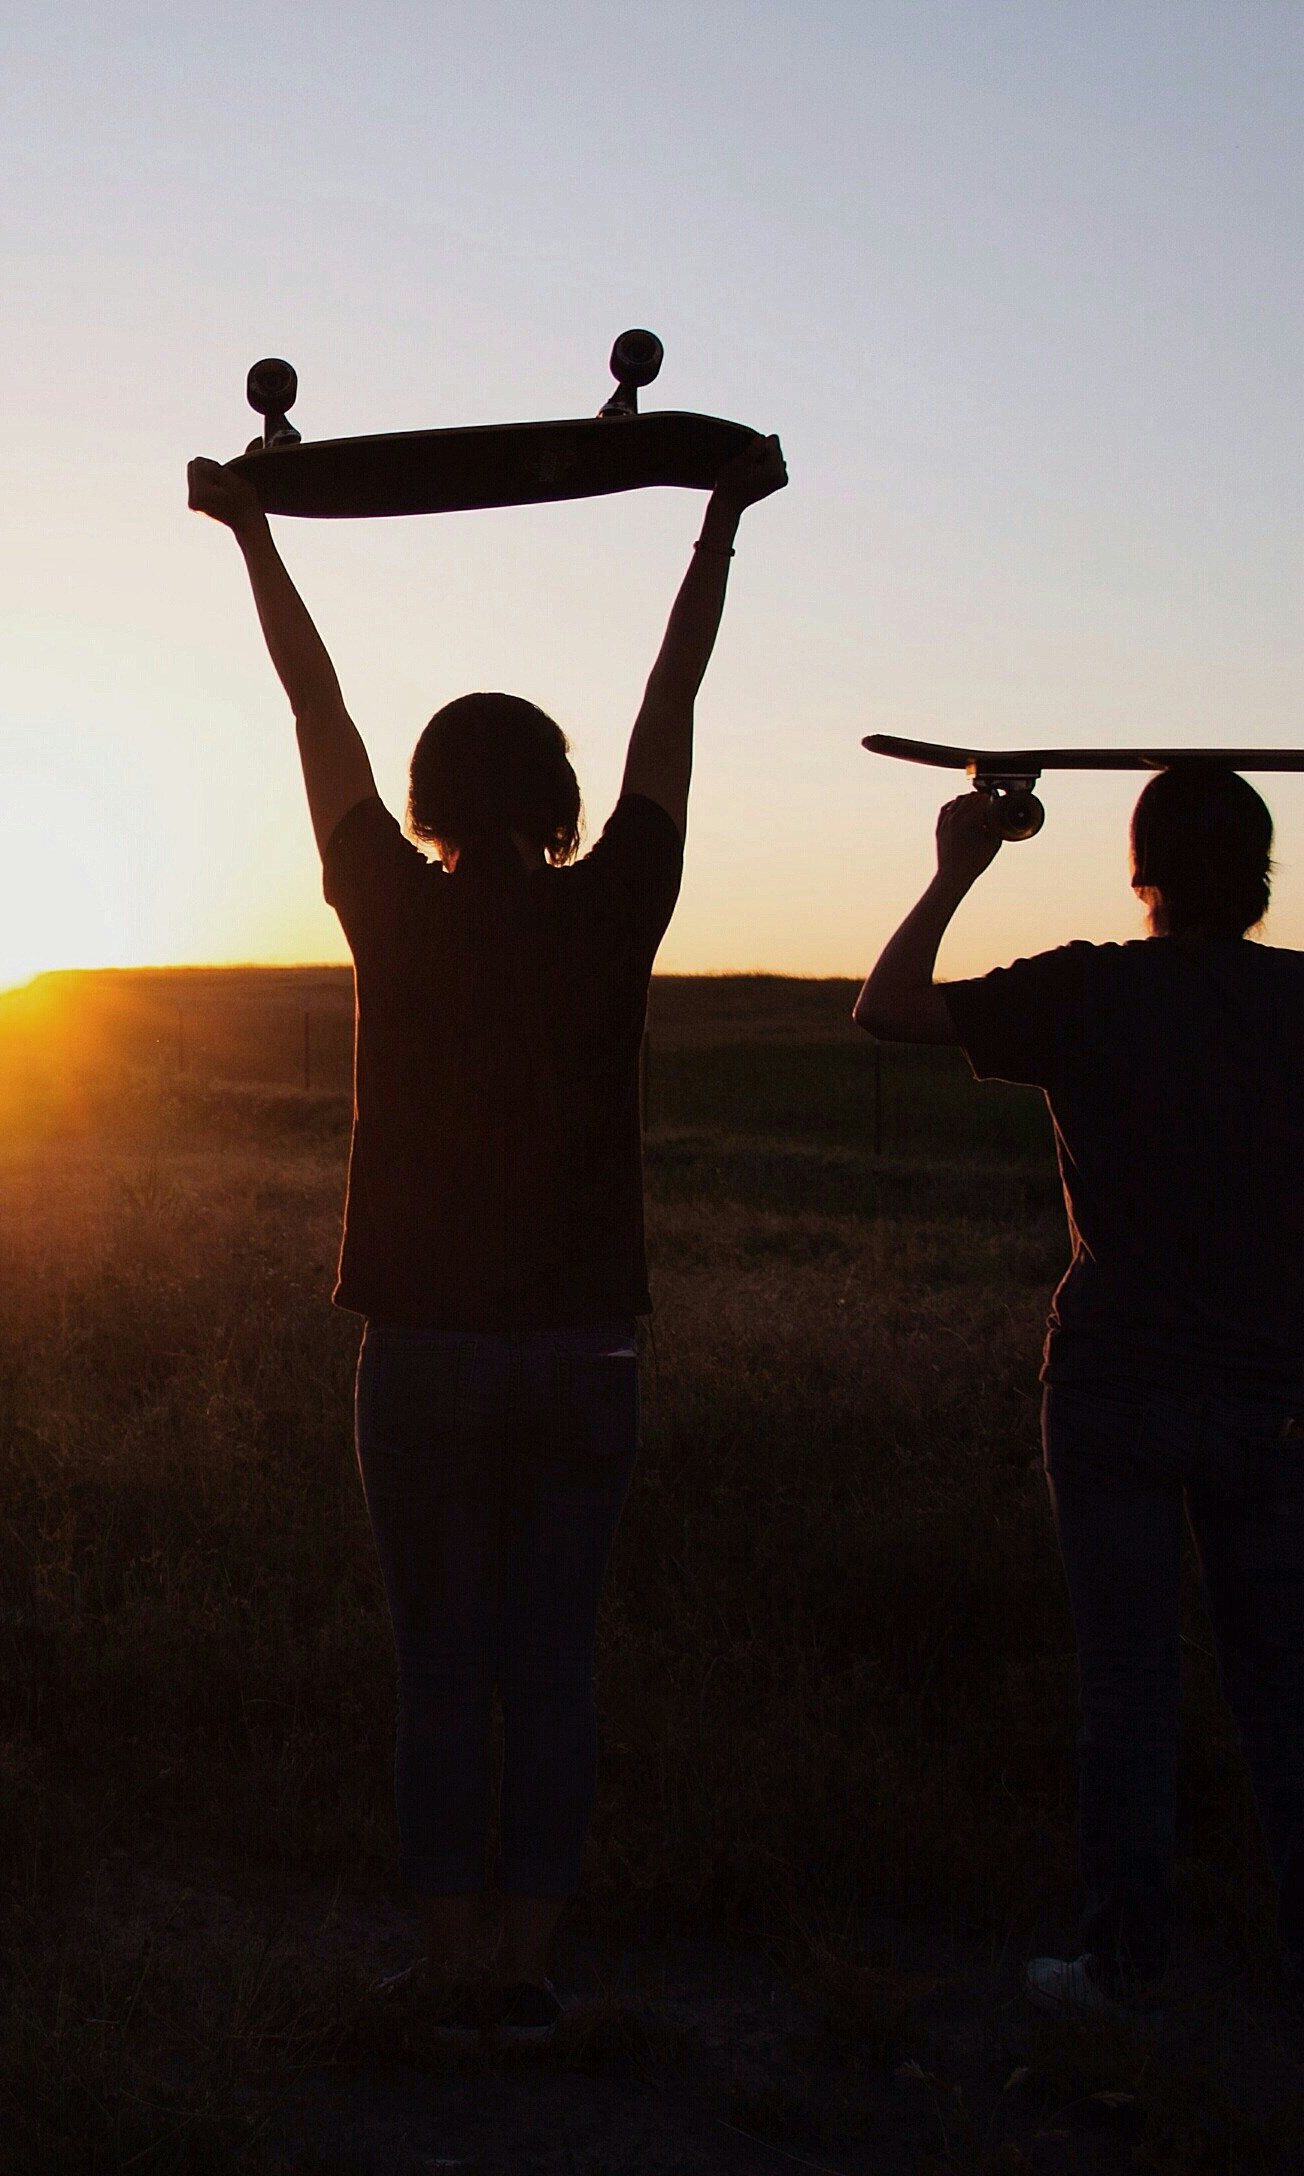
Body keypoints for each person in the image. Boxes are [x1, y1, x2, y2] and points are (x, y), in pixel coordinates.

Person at [188, 435, 788, 2047]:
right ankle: (526, 1965)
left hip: (425, 1353)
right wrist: (716, 530)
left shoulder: (391, 900)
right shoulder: (621, 902)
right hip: (587, 1351)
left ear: (435, 798)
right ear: (563, 799)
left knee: (445, 1668)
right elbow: (675, 704)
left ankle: (448, 1958)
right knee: (554, 1668)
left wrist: (255, 537)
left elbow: (316, 716)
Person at [853, 765, 1304, 2061]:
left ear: (1138, 870)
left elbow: (886, 1007)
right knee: (1284, 1692)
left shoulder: (1092, 985)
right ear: (1264, 876)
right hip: (1269, 1399)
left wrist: (962, 858)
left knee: (1128, 1691)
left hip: (1108, 1389)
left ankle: (1123, 1969)